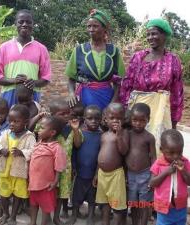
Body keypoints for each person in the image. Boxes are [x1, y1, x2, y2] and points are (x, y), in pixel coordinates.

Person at [120, 18, 184, 154]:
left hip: (160, 110)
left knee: (158, 146)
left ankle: (155, 175)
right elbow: (127, 84)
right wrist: (126, 109)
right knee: (135, 147)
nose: (150, 37)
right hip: (137, 109)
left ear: (164, 35)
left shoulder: (173, 60)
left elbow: (177, 92)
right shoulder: (138, 57)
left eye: (154, 34)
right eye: (148, 34)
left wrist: (174, 122)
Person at [65, 9, 125, 109]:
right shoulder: (80, 50)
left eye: (95, 26)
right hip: (85, 97)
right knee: (87, 122)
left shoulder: (114, 52)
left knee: (105, 123)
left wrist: (113, 102)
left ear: (104, 29)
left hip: (107, 98)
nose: (91, 29)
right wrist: (71, 93)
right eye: (89, 26)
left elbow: (118, 82)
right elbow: (71, 78)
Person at [0, 9, 51, 107]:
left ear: (33, 25)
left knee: (31, 121)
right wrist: (13, 80)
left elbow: (46, 78)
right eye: (21, 22)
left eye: (28, 22)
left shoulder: (41, 49)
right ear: (15, 24)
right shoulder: (4, 48)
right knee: (9, 122)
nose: (24, 24)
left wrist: (34, 82)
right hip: (8, 97)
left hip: (31, 98)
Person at [0, 105, 36, 225]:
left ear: (26, 122)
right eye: (10, 121)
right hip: (5, 170)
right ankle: (6, 213)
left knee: (18, 194)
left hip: (19, 172)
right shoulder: (6, 133)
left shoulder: (29, 136)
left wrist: (22, 152)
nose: (12, 124)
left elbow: (33, 150)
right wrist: (2, 150)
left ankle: (13, 216)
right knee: (4, 194)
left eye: (16, 121)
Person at [48, 99, 83, 225]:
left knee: (60, 194)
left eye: (67, 113)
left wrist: (75, 130)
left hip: (65, 168)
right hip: (49, 168)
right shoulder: (49, 128)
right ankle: (46, 217)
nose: (66, 116)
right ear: (52, 115)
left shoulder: (71, 129)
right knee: (48, 193)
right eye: (61, 114)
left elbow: (78, 144)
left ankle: (56, 217)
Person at [28, 116, 67, 225]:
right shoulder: (38, 143)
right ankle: (32, 222)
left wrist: (55, 181)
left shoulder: (56, 148)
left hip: (46, 185)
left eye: (42, 128)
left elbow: (59, 166)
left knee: (46, 207)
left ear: (52, 132)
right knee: (33, 204)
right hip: (34, 183)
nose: (38, 129)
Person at [68, 105, 102, 225]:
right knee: (76, 195)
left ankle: (91, 216)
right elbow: (75, 150)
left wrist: (97, 173)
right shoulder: (80, 132)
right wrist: (73, 166)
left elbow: (101, 156)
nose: (93, 121)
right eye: (90, 118)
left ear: (101, 119)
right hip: (80, 172)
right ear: (84, 119)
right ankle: (74, 215)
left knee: (93, 196)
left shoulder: (101, 135)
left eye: (97, 118)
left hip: (93, 172)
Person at [96, 103, 129, 225]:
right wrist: (96, 174)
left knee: (116, 203)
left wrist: (119, 134)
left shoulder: (124, 133)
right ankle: (105, 222)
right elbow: (100, 155)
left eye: (119, 118)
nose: (116, 121)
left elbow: (124, 151)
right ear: (106, 119)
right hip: (102, 174)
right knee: (104, 202)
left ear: (124, 119)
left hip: (116, 175)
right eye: (112, 118)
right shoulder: (104, 135)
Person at [149, 129, 190, 225]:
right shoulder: (158, 164)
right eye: (171, 153)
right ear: (161, 149)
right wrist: (165, 172)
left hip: (181, 207)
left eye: (179, 152)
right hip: (163, 208)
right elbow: (152, 183)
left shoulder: (185, 162)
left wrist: (183, 170)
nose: (175, 156)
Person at [125, 103, 156, 225]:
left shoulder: (149, 137)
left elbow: (153, 157)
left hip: (145, 174)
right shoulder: (128, 134)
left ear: (148, 119)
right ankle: (134, 222)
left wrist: (153, 176)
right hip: (130, 174)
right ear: (131, 119)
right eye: (135, 120)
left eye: (142, 120)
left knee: (144, 203)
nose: (138, 123)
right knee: (133, 202)